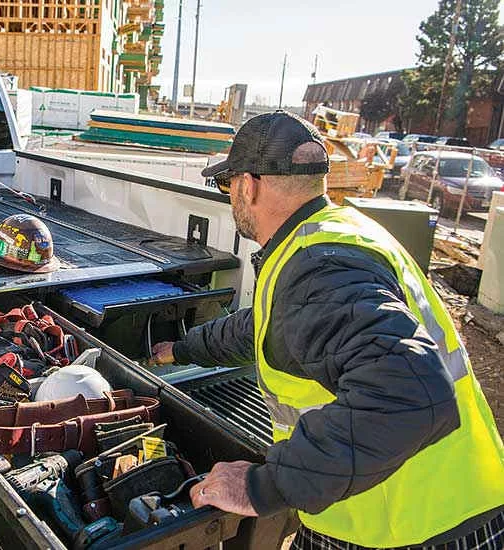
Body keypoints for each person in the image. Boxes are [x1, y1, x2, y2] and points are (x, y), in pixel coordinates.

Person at [152, 111, 504, 549]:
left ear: (249, 185)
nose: (230, 196)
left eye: (228, 185)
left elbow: (412, 393)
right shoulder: (335, 236)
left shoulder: (320, 268)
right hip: (439, 497)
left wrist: (262, 486)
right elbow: (266, 324)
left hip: (409, 526)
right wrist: (181, 349)